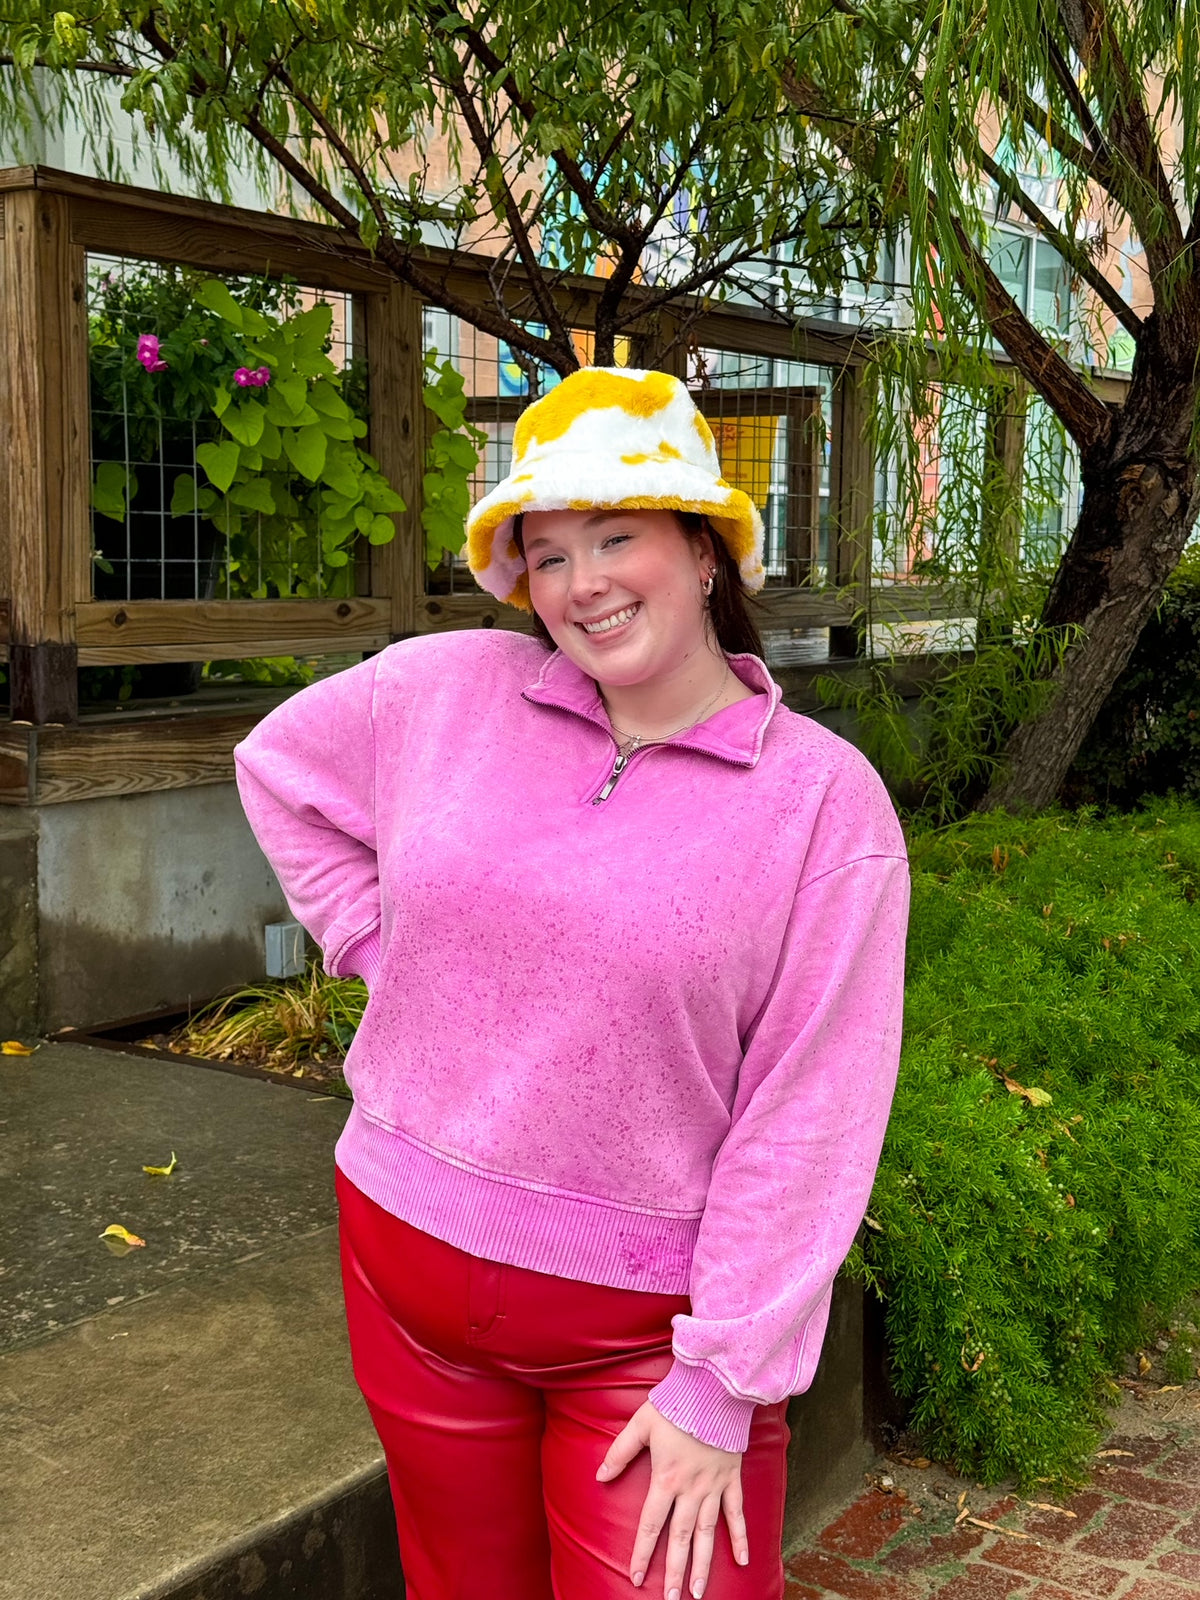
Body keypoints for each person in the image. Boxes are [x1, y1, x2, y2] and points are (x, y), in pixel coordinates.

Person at [233, 366, 910, 1600]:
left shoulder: (820, 804)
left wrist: (721, 1382)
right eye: (548, 554)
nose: (580, 583)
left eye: (614, 537)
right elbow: (279, 770)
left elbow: (813, 1111)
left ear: (703, 549)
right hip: (404, 1273)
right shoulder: (447, 692)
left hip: (650, 1340)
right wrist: (384, 953)